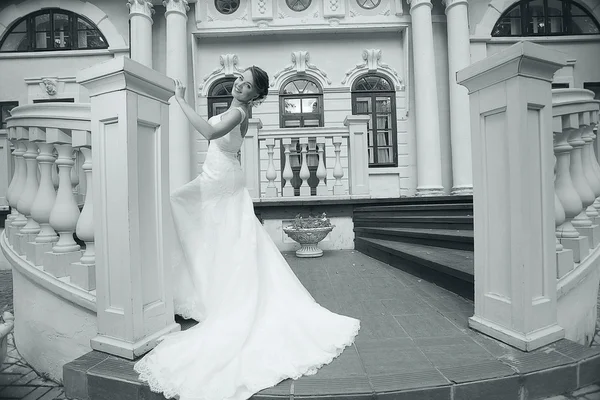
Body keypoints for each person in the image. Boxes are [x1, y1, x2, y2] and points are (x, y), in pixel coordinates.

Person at [133, 66, 360, 400]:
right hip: (220, 176)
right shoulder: (239, 106)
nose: (239, 83)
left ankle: (223, 298)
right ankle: (207, 293)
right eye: (240, 78)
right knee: (212, 230)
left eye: (247, 84)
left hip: (221, 180)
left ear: (255, 95)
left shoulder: (239, 110)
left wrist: (179, 101)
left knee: (210, 228)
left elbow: (209, 135)